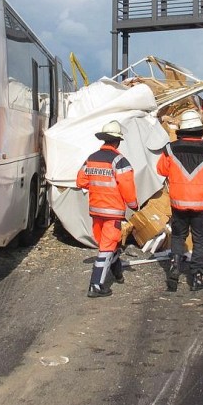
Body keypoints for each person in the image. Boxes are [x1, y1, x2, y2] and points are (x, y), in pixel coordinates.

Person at [156, 110, 203, 292]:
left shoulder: (170, 149)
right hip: (200, 203)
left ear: (182, 130)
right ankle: (197, 277)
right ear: (199, 130)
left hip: (178, 202)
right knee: (200, 239)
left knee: (178, 236)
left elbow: (161, 170)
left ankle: (175, 267)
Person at [76, 120, 138, 298]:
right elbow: (127, 187)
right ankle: (95, 286)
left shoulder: (91, 158)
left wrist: (97, 188)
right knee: (106, 248)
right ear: (117, 142)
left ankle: (117, 273)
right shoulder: (120, 161)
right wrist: (134, 205)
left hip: (96, 210)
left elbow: (81, 181)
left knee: (110, 245)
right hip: (113, 212)